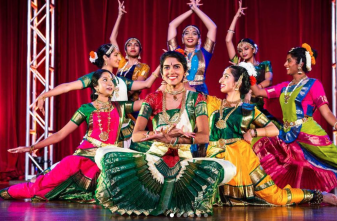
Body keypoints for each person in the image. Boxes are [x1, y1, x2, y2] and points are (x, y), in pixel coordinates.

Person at [94, 51, 236, 217]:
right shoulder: (152, 98)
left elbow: (204, 136)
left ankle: (159, 196)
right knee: (104, 154)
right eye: (167, 67)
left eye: (176, 67)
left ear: (185, 71)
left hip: (184, 162)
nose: (171, 71)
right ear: (161, 72)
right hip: (154, 159)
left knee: (227, 168)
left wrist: (175, 139)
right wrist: (159, 136)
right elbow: (137, 135)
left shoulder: (197, 99)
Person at [0, 69, 142, 202]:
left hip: (105, 162)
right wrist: (32, 147)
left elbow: (148, 102)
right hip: (81, 160)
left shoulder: (121, 107)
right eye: (104, 80)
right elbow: (60, 134)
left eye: (112, 80)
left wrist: (166, 81)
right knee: (42, 186)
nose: (110, 83)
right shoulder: (86, 109)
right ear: (96, 87)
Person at [206, 63, 337, 206]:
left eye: (226, 77)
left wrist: (254, 131)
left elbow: (274, 129)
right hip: (214, 159)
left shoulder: (249, 110)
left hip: (242, 160)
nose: (220, 80)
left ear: (237, 82)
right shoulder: (214, 103)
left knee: (276, 197)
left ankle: (316, 195)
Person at [250, 43, 337, 192]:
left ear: (300, 64)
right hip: (287, 134)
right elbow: (258, 92)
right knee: (258, 142)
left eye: (289, 60)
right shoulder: (285, 87)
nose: (285, 64)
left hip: (310, 134)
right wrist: (250, 74)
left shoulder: (313, 85)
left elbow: (327, 113)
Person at [225, 1, 280, 127]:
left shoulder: (265, 64)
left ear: (254, 49)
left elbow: (269, 81)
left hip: (258, 107)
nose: (243, 52)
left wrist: (254, 89)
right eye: (240, 50)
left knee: (275, 129)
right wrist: (235, 17)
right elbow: (228, 40)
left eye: (246, 48)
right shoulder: (239, 66)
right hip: (242, 106)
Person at [166, 0, 216, 94]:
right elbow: (172, 25)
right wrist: (191, 10)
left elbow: (212, 27)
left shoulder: (204, 53)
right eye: (186, 33)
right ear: (182, 38)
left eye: (194, 33)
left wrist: (196, 10)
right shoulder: (176, 53)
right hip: (179, 91)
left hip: (200, 92)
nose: (190, 36)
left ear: (198, 39)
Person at [110, 0, 150, 101]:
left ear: (140, 50)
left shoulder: (144, 67)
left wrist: (119, 98)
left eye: (136, 45)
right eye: (129, 45)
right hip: (115, 100)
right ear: (125, 50)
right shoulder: (121, 63)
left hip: (131, 105)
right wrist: (120, 15)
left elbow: (138, 85)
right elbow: (112, 39)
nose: (132, 47)